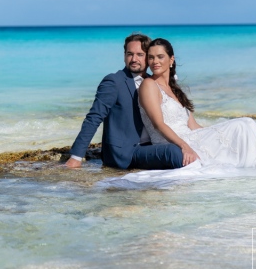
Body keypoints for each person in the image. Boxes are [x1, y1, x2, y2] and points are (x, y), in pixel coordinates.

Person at [136, 38, 256, 169]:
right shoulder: (149, 85)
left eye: (160, 57)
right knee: (243, 125)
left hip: (191, 138)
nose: (155, 61)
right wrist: (185, 147)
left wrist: (214, 135)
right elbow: (158, 124)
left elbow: (194, 126)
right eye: (151, 57)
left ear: (171, 59)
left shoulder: (174, 89)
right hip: (174, 142)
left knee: (247, 123)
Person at [64, 33, 186, 170]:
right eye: (129, 54)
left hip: (152, 146)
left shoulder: (154, 83)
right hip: (126, 152)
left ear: (148, 57)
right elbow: (94, 117)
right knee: (174, 153)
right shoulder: (114, 81)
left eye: (140, 54)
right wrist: (76, 157)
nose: (134, 59)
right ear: (124, 56)